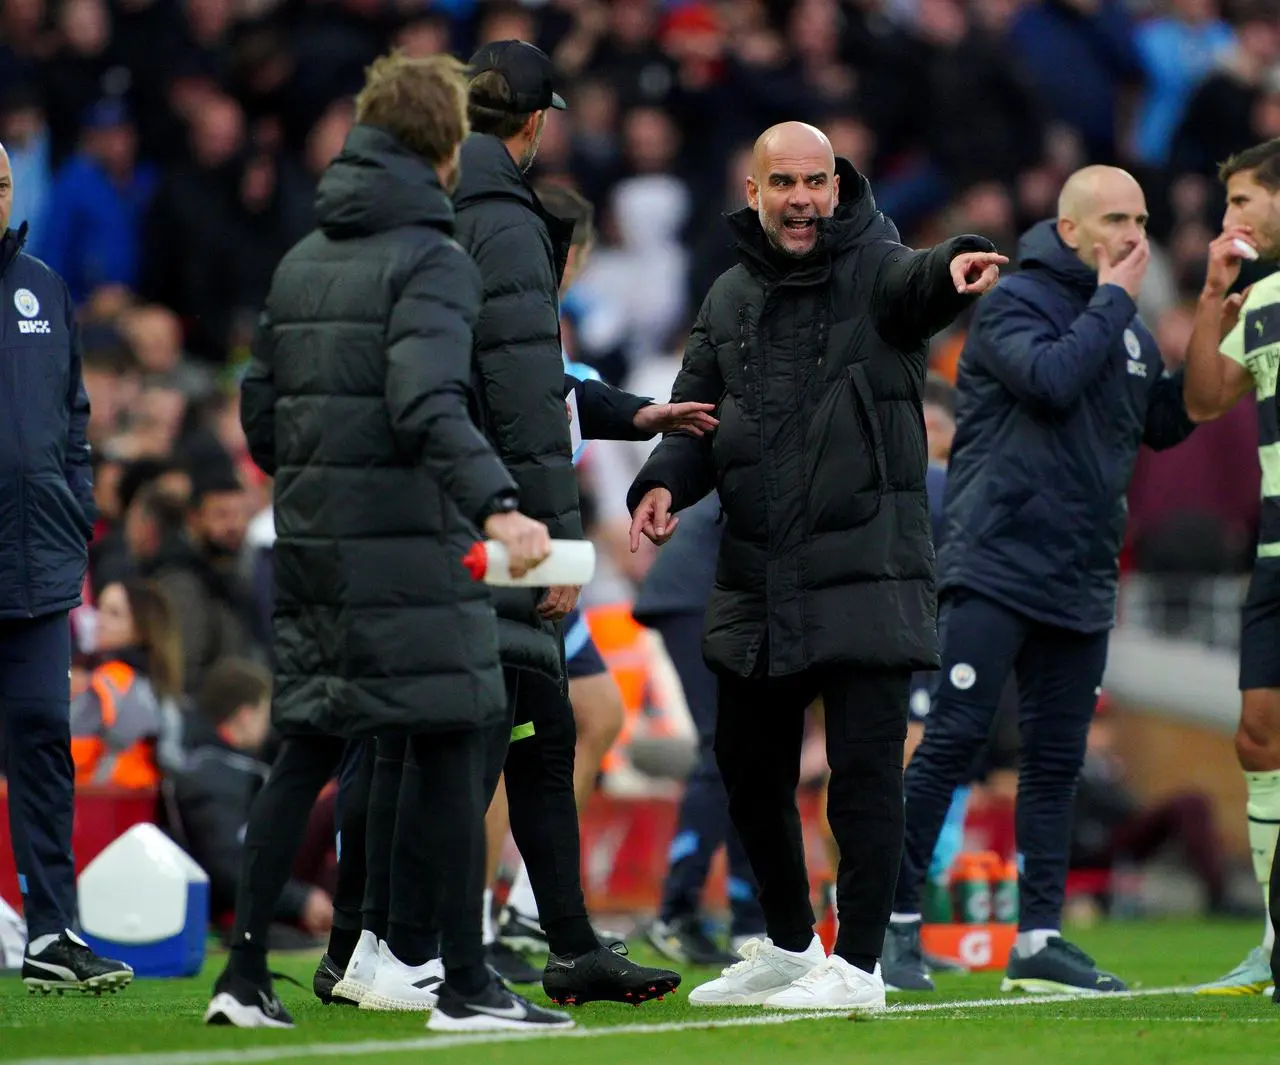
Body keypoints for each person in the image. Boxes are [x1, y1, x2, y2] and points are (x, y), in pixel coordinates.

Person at [202, 52, 566, 1033]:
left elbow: (260, 415)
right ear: (447, 143)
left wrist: (320, 485)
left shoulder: (303, 255)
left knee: (307, 743)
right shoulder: (433, 258)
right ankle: (465, 984)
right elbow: (427, 402)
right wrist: (499, 504)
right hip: (410, 543)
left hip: (315, 542)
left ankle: (240, 980)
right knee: (456, 735)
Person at [627, 120, 1005, 1011]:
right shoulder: (725, 297)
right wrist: (663, 483)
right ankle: (795, 946)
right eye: (783, 184)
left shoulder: (878, 267)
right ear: (753, 193)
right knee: (746, 764)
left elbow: (919, 283)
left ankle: (862, 966)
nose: (802, 199)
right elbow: (697, 410)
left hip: (867, 563)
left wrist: (953, 262)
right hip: (758, 567)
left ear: (838, 188)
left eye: (816, 182)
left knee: (865, 772)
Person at [341, 40, 684, 1013]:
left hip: (418, 505)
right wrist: (551, 538)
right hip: (489, 520)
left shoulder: (414, 206)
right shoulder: (505, 217)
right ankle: (417, 951)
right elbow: (526, 389)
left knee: (528, 736)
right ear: (533, 124)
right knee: (473, 737)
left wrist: (625, 413)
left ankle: (547, 943)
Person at [881, 165, 1195, 996]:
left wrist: (1218, 316)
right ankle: (894, 921)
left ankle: (1039, 938)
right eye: (1117, 219)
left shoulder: (1121, 324)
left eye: (1142, 219)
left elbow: (1160, 421)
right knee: (950, 741)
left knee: (1055, 763)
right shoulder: (1016, 303)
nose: (1135, 235)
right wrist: (1117, 303)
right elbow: (1052, 381)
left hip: (1082, 572)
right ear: (1070, 229)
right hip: (997, 559)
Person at [0, 140, 134, 996]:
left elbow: (73, 416)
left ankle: (51, 928)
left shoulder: (42, 288)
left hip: (37, 562)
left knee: (46, 744)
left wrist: (71, 502)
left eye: (3, 180)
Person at [1176, 136, 1280, 996]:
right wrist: (1214, 293)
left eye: (1243, 201)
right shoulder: (1262, 297)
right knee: (1258, 735)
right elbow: (1206, 399)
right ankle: (1277, 941)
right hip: (1275, 550)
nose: (1230, 220)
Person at [634, 491, 765, 967]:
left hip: (716, 590)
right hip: (701, 593)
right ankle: (677, 911)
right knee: (725, 749)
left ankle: (750, 917)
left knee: (748, 752)